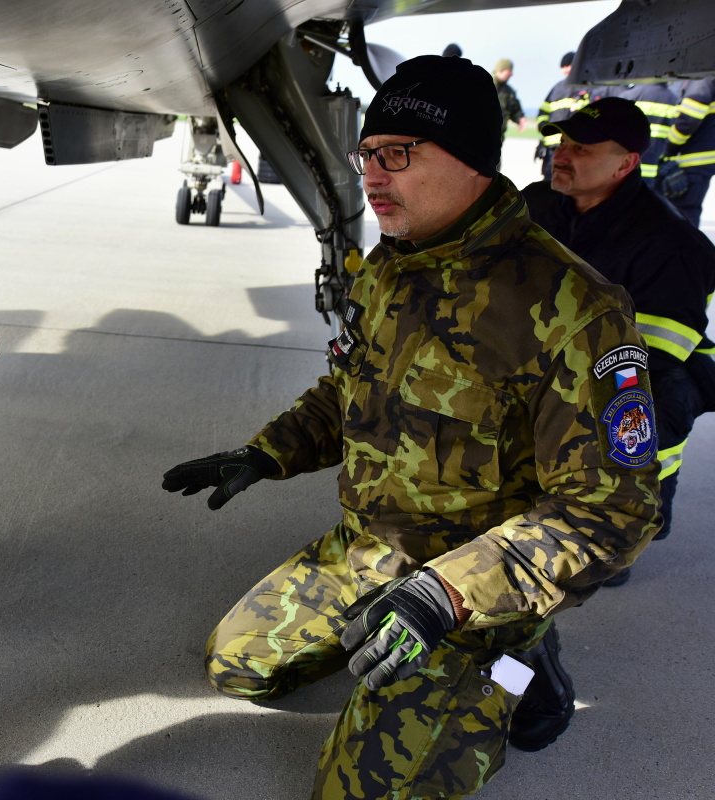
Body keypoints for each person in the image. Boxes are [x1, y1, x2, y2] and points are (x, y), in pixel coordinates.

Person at [162, 56, 660, 799]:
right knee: (236, 665)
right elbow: (348, 392)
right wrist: (264, 454)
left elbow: (612, 510)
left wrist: (448, 595)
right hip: (368, 549)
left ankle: (519, 667)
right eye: (366, 153)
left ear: (470, 162)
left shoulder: (571, 307)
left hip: (468, 588)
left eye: (398, 153)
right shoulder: (387, 268)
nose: (371, 172)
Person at [524, 96, 715, 583]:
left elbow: (645, 354)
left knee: (627, 427)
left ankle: (625, 526)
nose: (562, 154)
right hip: (562, 364)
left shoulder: (669, 243)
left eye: (582, 148)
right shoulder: (540, 205)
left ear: (626, 163)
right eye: (562, 143)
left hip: (648, 378)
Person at [659, 76, 715, 226]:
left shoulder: (703, 80)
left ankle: (682, 248)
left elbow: (689, 118)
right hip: (704, 160)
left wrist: (669, 147)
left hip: (693, 160)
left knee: (681, 212)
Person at [534, 51, 592, 181]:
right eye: (563, 67)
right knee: (549, 182)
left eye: (568, 66)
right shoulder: (556, 88)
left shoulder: (587, 88)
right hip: (551, 147)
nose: (565, 70)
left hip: (573, 147)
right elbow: (543, 111)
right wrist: (543, 127)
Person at [616, 80, 679, 181]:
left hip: (625, 168)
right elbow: (676, 134)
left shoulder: (630, 95)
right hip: (653, 167)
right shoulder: (674, 99)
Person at [494, 57, 528, 158]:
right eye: (509, 71)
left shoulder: (509, 91)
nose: (512, 74)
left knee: (493, 168)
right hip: (480, 137)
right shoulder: (483, 84)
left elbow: (515, 109)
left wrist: (521, 119)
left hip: (497, 138)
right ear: (501, 70)